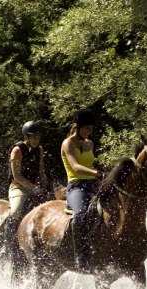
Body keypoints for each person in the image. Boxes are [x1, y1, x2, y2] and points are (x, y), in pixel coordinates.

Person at [61, 108, 104, 269]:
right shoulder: (67, 143)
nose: (89, 132)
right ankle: (80, 255)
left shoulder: (89, 144)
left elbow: (91, 164)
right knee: (80, 215)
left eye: (91, 129)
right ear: (77, 127)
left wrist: (103, 172)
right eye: (86, 128)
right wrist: (96, 173)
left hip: (93, 184)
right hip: (76, 186)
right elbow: (76, 167)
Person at [0, 121, 48, 255]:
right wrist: (33, 187)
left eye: (38, 137)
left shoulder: (39, 149)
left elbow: (41, 170)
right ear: (26, 137)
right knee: (16, 211)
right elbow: (17, 176)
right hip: (18, 187)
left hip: (35, 187)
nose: (36, 140)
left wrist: (45, 184)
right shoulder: (17, 150)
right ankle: (6, 243)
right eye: (33, 137)